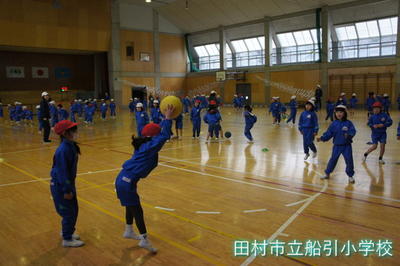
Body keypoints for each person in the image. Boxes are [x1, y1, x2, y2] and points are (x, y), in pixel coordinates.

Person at [115, 105, 175, 253]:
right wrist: (167, 118)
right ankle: (144, 239)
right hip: (126, 182)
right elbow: (163, 136)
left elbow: (158, 133)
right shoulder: (149, 147)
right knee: (137, 211)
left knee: (130, 206)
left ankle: (128, 230)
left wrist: (163, 121)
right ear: (153, 137)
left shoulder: (145, 143)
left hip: (122, 179)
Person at [50, 120, 84, 247]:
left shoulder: (70, 145)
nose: (76, 133)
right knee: (69, 212)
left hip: (68, 184)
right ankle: (67, 238)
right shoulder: (63, 150)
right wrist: (67, 190)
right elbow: (62, 172)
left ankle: (68, 231)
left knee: (73, 209)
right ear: (65, 133)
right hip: (61, 185)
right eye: (73, 130)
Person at [317, 105, 356, 184]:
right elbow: (329, 133)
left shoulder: (348, 123)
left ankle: (350, 175)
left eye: (341, 112)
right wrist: (322, 138)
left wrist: (349, 135)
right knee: (333, 160)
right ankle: (327, 173)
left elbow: (353, 131)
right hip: (337, 146)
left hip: (346, 146)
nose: (339, 114)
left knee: (349, 160)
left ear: (344, 113)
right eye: (337, 112)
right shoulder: (334, 124)